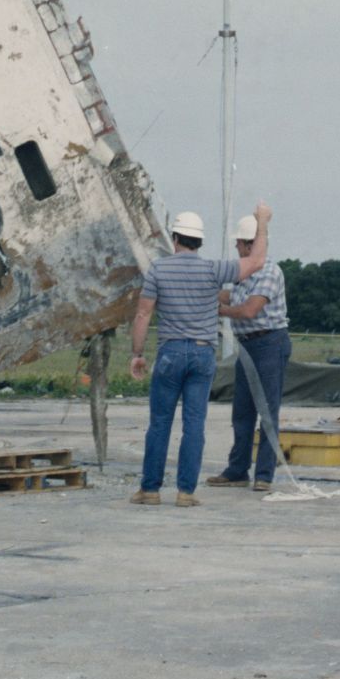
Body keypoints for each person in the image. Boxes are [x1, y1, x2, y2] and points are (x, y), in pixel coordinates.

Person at [127, 203, 271, 506]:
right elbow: (257, 261)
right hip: (203, 354)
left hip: (169, 352)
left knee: (160, 423)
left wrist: (137, 353)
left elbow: (143, 314)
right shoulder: (213, 270)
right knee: (194, 424)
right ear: (200, 241)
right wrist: (262, 221)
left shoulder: (158, 269)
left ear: (175, 237)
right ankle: (185, 492)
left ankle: (150, 490)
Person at [209, 215, 291, 492]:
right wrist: (202, 286)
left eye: (239, 244)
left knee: (267, 411)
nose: (236, 249)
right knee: (242, 412)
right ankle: (237, 470)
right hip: (248, 345)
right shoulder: (244, 274)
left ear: (249, 245)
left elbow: (249, 310)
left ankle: (264, 474)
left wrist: (219, 311)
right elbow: (230, 296)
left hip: (269, 344)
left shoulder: (269, 272)